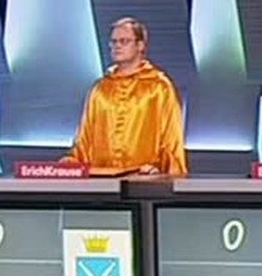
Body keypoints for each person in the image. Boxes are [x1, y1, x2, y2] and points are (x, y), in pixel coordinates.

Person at [62, 17, 188, 176]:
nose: (117, 46)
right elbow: (84, 140)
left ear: (140, 45)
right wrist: (71, 163)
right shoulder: (100, 89)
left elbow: (171, 139)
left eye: (124, 41)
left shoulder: (159, 87)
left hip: (143, 179)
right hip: (102, 180)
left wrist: (163, 171)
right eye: (113, 42)